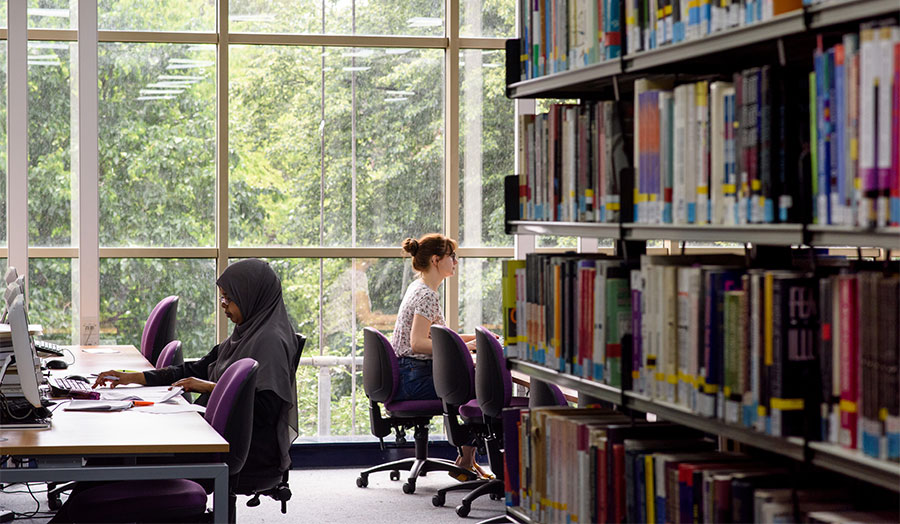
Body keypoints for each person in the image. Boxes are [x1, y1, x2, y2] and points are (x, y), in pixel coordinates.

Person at [92, 258, 300, 480]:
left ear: (253, 297)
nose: (223, 304)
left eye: (230, 298)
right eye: (222, 297)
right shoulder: (245, 334)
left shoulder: (271, 342)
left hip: (245, 448)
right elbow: (194, 369)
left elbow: (265, 410)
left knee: (122, 457)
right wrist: (132, 377)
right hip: (216, 434)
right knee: (116, 454)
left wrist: (211, 388)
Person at [391, 233, 490, 480]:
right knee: (480, 391)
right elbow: (418, 342)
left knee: (475, 387)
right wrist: (462, 349)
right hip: (413, 376)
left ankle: (466, 461)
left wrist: (475, 340)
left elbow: (439, 337)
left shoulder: (419, 288)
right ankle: (466, 461)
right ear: (436, 260)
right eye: (452, 257)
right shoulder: (427, 295)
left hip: (409, 374)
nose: (455, 262)